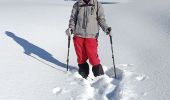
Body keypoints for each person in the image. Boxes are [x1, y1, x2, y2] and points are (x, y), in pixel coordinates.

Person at [66, 0, 111, 78]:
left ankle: (99, 76)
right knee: (81, 57)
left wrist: (106, 28)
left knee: (93, 57)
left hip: (91, 35)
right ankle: (83, 75)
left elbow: (101, 19)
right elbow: (73, 19)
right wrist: (71, 28)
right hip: (78, 35)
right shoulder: (77, 4)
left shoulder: (97, 4)